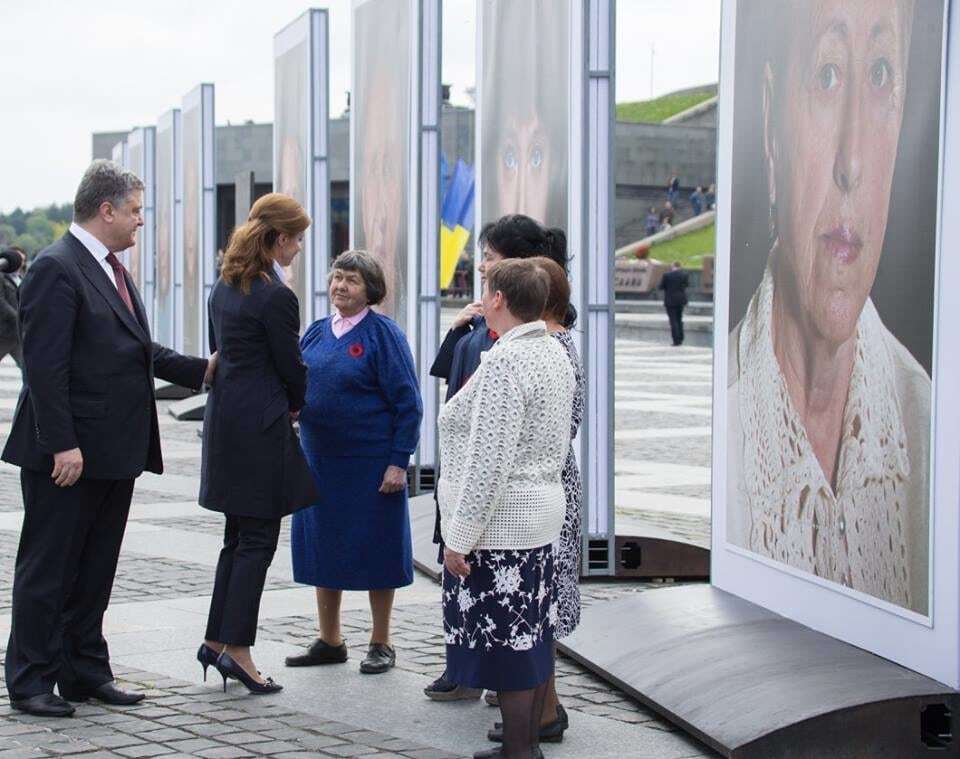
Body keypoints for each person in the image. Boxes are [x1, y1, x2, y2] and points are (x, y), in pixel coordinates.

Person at [728, 0, 929, 613]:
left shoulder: (928, 429)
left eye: (880, 76)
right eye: (827, 75)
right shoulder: (732, 418)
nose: (853, 161)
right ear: (770, 125)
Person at [2, 160, 214, 717]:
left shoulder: (107, 267)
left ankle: (83, 670)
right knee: (49, 569)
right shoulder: (57, 267)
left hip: (112, 451)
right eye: (136, 211)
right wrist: (61, 443)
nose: (141, 221)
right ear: (107, 210)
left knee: (95, 569)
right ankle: (29, 680)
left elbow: (131, 348)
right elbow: (43, 368)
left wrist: (202, 370)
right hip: (68, 456)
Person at [425, 214, 569, 702]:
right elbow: (447, 374)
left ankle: (525, 735)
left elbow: (491, 462)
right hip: (521, 509)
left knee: (511, 641)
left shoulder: (514, 356)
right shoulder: (535, 346)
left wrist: (458, 537)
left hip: (503, 516)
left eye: (487, 268)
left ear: (504, 293)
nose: (481, 275)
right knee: (521, 635)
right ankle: (521, 730)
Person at [197, 193, 318, 695]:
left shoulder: (224, 286)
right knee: (257, 542)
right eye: (297, 239)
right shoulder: (275, 295)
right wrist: (296, 402)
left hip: (226, 423)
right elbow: (290, 366)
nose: (299, 248)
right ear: (277, 238)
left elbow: (216, 351)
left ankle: (215, 639)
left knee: (236, 538)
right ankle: (239, 651)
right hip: (262, 429)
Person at [287, 250, 422, 675]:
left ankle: (381, 641)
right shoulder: (314, 333)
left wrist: (398, 462)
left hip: (370, 465)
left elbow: (409, 404)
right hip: (319, 462)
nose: (340, 286)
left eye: (352, 280)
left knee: (377, 551)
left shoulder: (384, 335)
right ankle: (330, 640)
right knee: (322, 549)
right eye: (337, 278)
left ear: (370, 290)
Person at [484, 257, 583, 748]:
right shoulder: (542, 345)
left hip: (539, 488)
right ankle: (539, 713)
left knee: (534, 610)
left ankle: (541, 714)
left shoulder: (546, 347)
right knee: (538, 608)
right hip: (548, 484)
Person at [0, 246, 26, 370]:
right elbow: (1, 302)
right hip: (3, 331)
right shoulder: (2, 277)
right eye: (18, 259)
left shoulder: (22, 278)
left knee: (27, 368)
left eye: (22, 261)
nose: (20, 263)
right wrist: (18, 317)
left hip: (16, 333)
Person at [659, 261, 690, 347]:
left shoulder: (667, 275)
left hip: (670, 300)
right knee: (679, 319)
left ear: (673, 266)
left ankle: (676, 340)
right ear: (680, 266)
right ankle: (681, 338)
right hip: (681, 300)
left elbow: (661, 287)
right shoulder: (685, 275)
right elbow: (686, 285)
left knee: (673, 320)